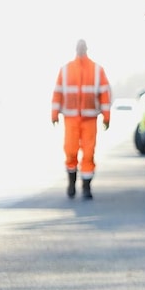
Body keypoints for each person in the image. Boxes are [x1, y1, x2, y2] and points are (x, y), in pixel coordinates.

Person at [51, 39, 112, 199]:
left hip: (89, 119)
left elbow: (105, 95)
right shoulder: (66, 70)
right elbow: (57, 93)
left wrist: (106, 117)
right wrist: (54, 113)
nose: (80, 49)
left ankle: (86, 186)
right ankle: (71, 183)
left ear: (86, 49)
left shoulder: (97, 70)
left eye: (82, 47)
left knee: (88, 152)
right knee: (70, 151)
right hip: (71, 118)